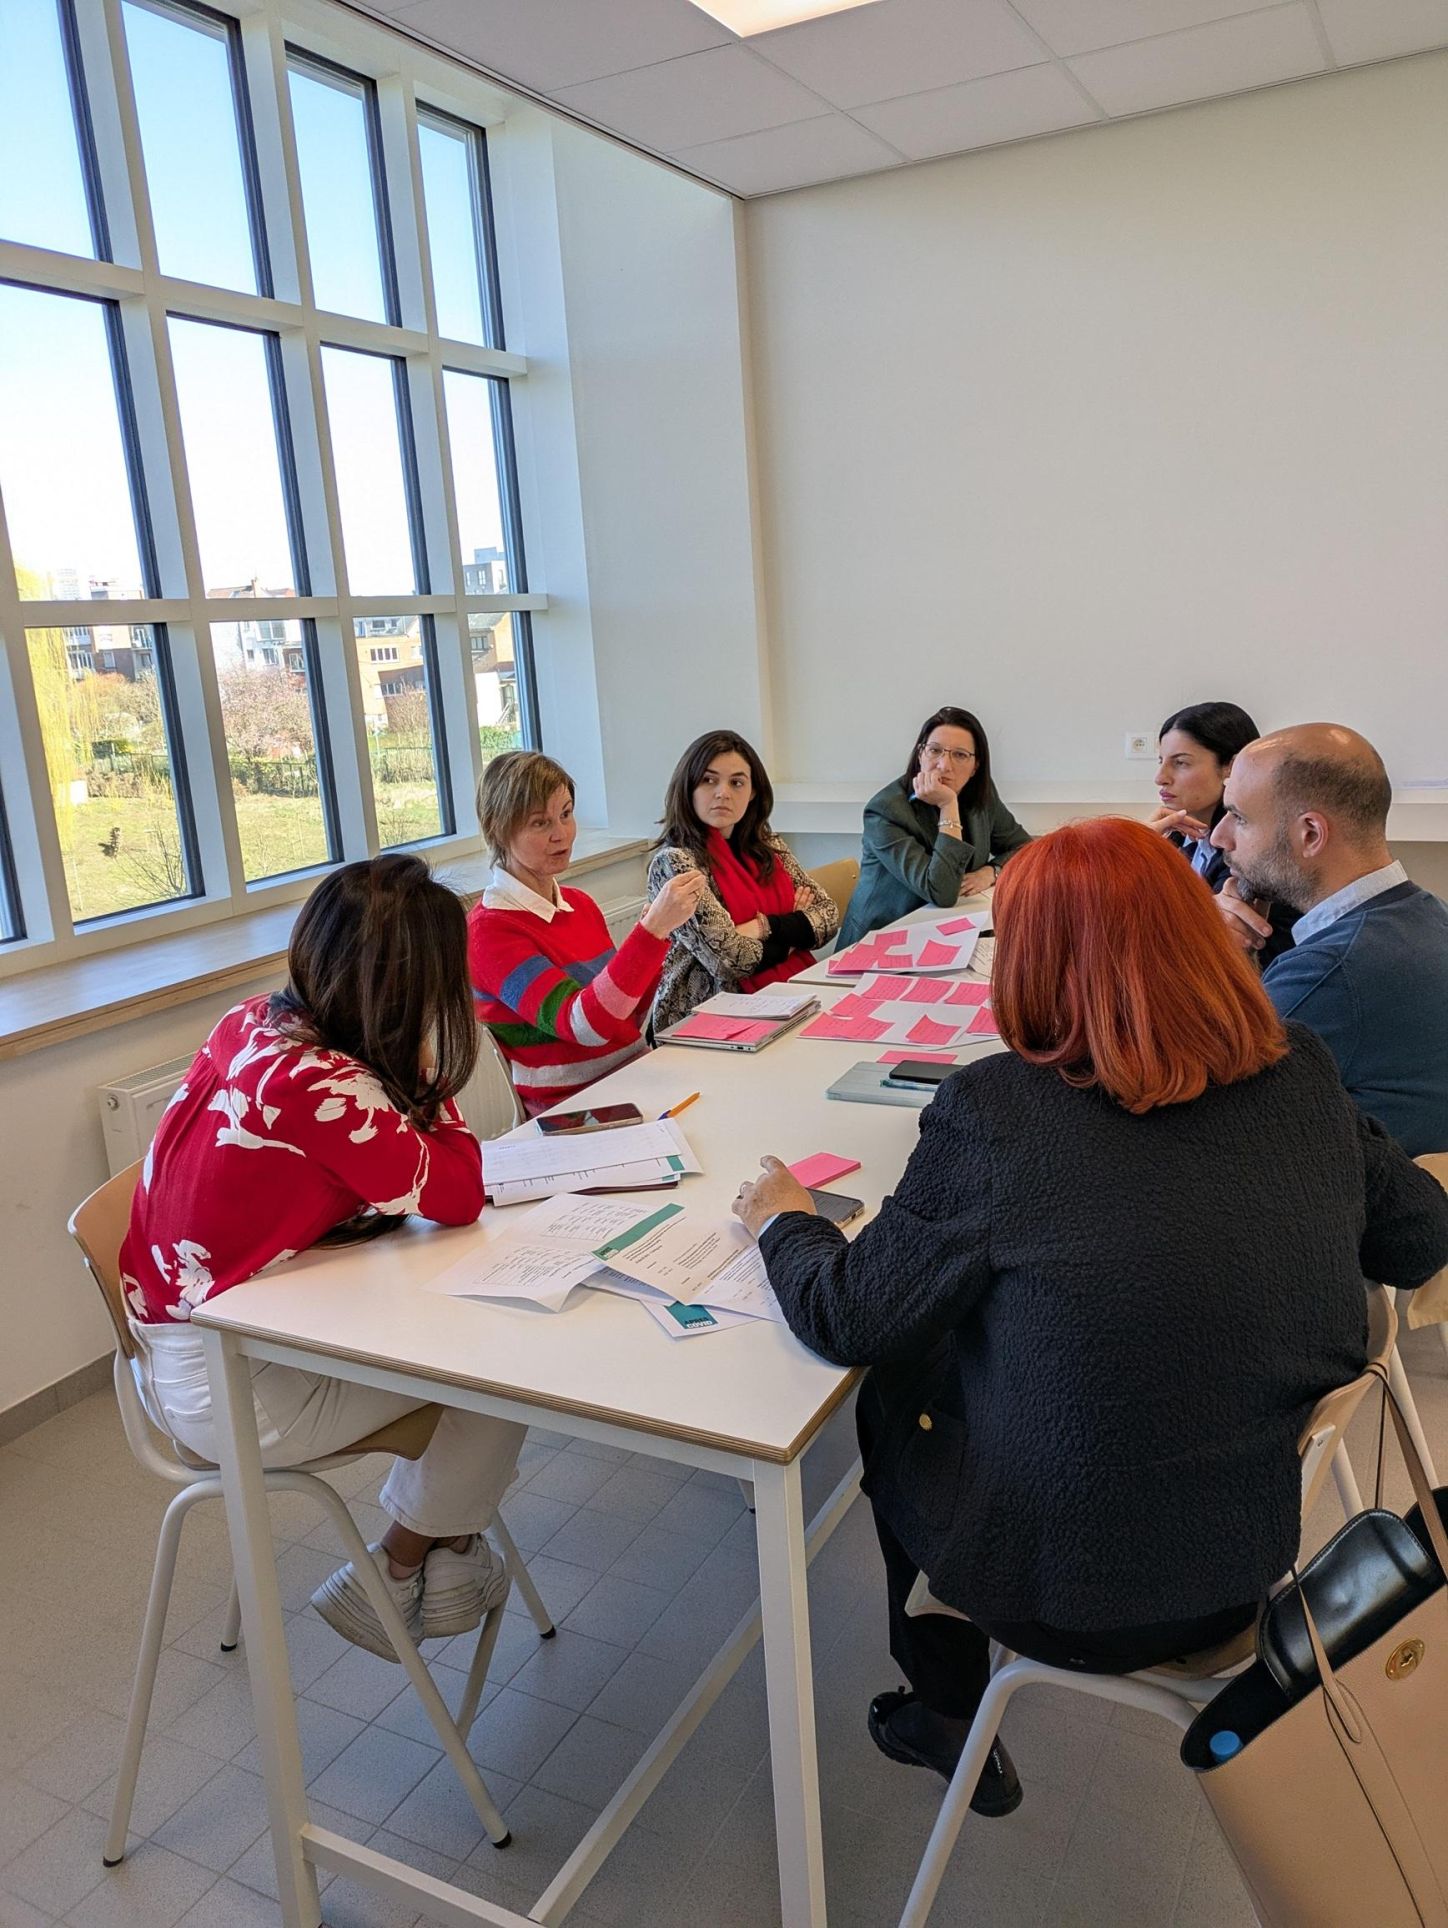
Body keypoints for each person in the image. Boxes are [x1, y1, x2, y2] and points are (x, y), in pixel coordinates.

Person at [732, 818, 1448, 1813]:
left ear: (1029, 962)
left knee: (896, 1387)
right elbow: (1418, 1239)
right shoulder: (1301, 1070)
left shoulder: (997, 1110)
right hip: (1243, 1559)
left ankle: (945, 1701)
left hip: (1070, 1593)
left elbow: (847, 1317)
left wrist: (784, 1221)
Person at [120, 856, 528, 1662]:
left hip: (191, 1341)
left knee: (466, 1330)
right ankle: (399, 1564)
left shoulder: (254, 1020)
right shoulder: (325, 1088)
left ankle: (447, 1551)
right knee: (506, 1361)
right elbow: (458, 1188)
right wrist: (418, 1065)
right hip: (231, 1388)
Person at [1212, 723, 1448, 1157]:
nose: (1219, 837)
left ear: (1310, 834)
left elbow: (1204, 1109)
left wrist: (1210, 955)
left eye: (1239, 818)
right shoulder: (1430, 915)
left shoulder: (1331, 970)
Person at [469, 750, 706, 1116]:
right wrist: (651, 932)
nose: (561, 834)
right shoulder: (489, 932)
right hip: (572, 1110)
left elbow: (624, 1020)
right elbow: (585, 1027)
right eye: (540, 823)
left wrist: (659, 936)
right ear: (498, 829)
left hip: (633, 1080)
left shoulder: (579, 904)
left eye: (565, 814)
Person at [647, 730, 840, 1034]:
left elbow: (828, 916)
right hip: (704, 1016)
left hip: (785, 998)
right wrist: (794, 932)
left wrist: (762, 927)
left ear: (752, 793)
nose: (723, 793)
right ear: (688, 787)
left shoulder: (770, 847)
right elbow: (728, 961)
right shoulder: (676, 863)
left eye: (736, 782)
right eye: (709, 780)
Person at [837, 707, 1029, 948]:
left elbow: (1025, 848)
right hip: (883, 941)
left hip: (948, 932)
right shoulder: (885, 811)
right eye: (935, 750)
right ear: (920, 754)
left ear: (975, 766)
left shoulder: (981, 794)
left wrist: (992, 871)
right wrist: (948, 805)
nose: (944, 765)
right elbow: (941, 892)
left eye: (960, 755)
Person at [1149, 700, 1297, 967]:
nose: (1160, 777)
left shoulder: (1253, 852)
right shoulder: (1180, 837)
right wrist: (1140, 846)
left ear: (1231, 766)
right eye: (1161, 762)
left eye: (1180, 763)